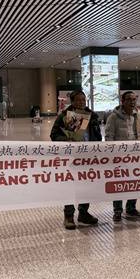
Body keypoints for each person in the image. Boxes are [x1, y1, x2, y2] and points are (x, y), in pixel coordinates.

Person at [50, 90, 101, 229]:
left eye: (83, 100)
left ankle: (83, 213)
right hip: (71, 158)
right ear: (72, 102)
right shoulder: (64, 116)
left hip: (88, 157)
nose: (81, 102)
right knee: (70, 186)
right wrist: (67, 140)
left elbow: (97, 135)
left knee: (87, 186)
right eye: (78, 100)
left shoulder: (92, 116)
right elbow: (54, 135)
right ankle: (69, 215)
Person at [105, 91, 140, 221]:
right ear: (122, 101)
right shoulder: (113, 117)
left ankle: (131, 208)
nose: (132, 102)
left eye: (134, 99)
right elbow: (109, 137)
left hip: (135, 156)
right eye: (129, 99)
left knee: (134, 183)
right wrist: (112, 155)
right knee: (119, 184)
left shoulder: (138, 116)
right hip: (119, 157)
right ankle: (117, 210)